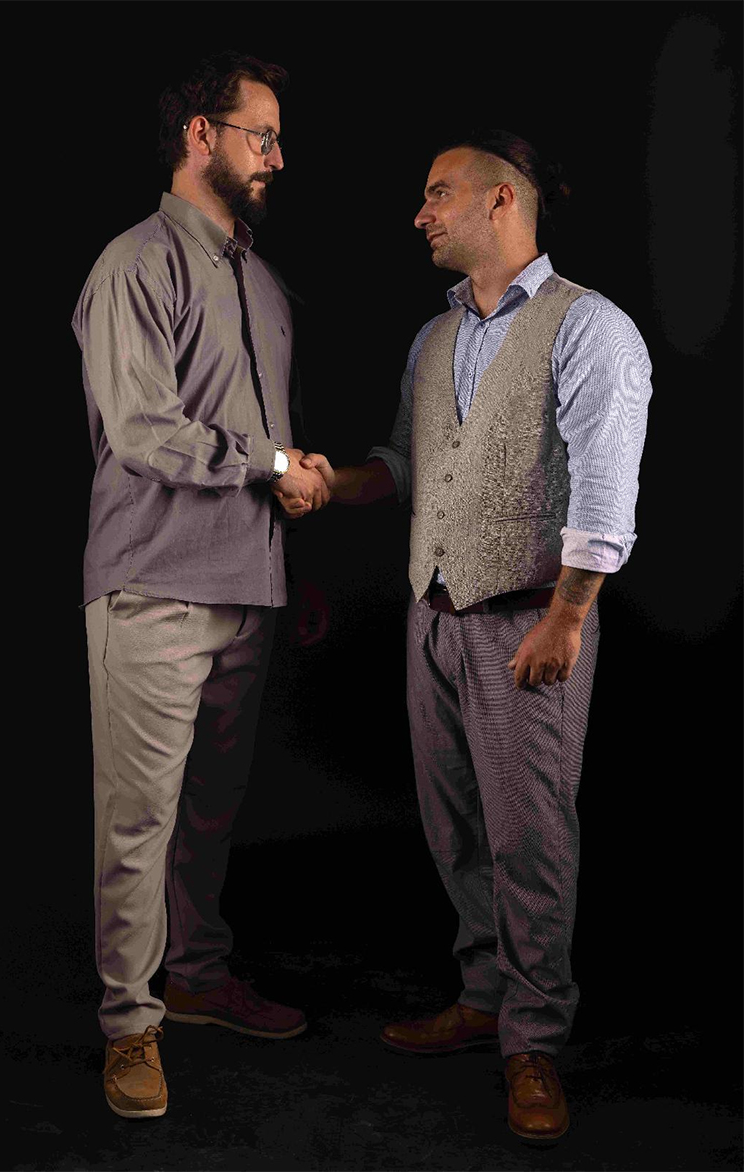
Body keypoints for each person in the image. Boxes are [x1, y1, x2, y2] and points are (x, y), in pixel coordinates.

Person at [278, 130, 652, 1143]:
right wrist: (335, 483)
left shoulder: (591, 326)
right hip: (432, 618)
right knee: (455, 827)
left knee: (529, 835)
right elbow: (410, 465)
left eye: (438, 192)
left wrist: (568, 617)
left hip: (530, 620)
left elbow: (606, 489)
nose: (420, 213)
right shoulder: (435, 336)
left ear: (501, 200)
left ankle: (533, 1038)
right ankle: (485, 997)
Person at [72, 51, 332, 1119]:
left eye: (276, 139)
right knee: (138, 821)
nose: (277, 156)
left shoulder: (264, 283)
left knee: (210, 811)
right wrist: (273, 464)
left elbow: (283, 450)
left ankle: (195, 978)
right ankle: (129, 1027)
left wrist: (291, 567)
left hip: (247, 589)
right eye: (261, 135)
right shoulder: (134, 264)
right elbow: (142, 430)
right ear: (199, 136)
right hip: (153, 587)